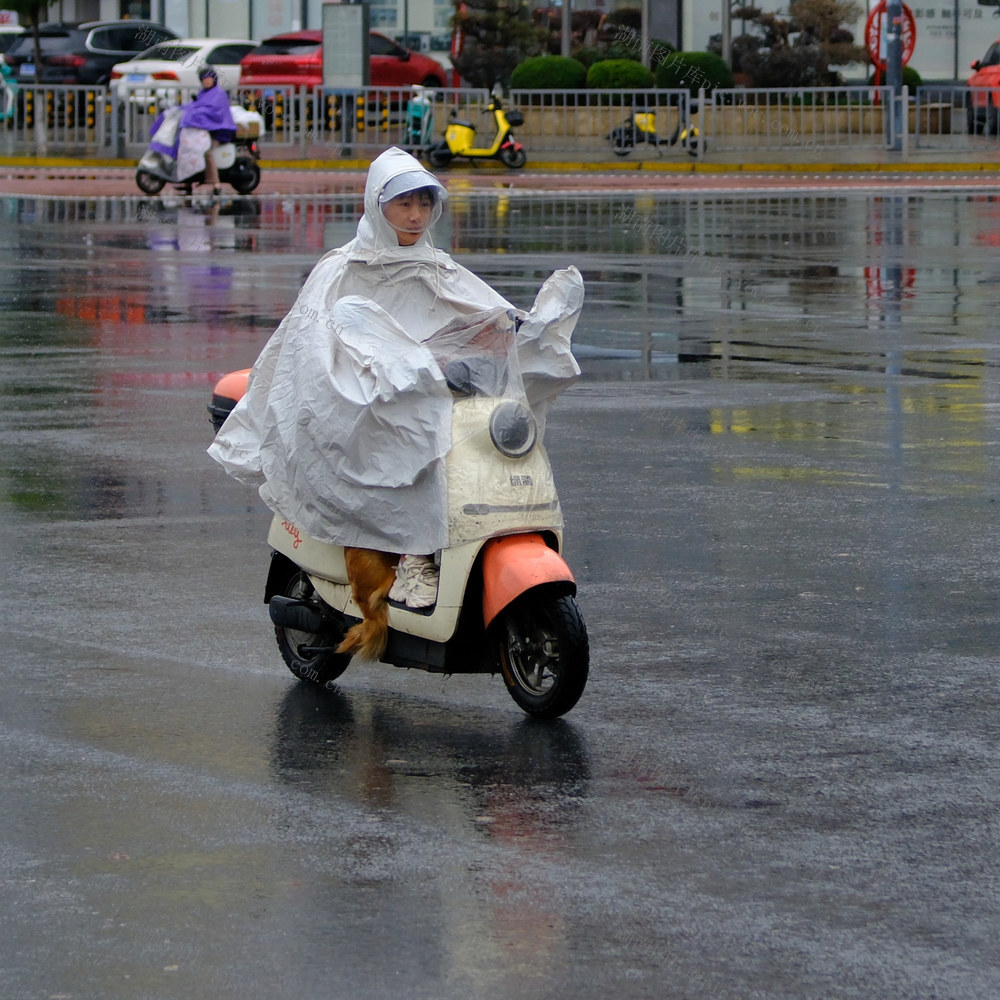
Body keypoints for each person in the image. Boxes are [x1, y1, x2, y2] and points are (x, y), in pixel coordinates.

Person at [209, 146, 583, 610]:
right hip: (363, 399)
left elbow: (481, 312)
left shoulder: (437, 267)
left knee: (474, 435)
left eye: (424, 204)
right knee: (408, 435)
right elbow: (312, 350)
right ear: (377, 205)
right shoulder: (342, 270)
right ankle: (412, 557)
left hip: (431, 388)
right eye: (404, 204)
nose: (415, 215)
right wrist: (381, 372)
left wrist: (520, 326)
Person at [175, 65, 235, 194]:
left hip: (219, 131)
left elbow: (214, 112)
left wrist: (197, 114)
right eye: (204, 79)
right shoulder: (203, 93)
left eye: (209, 79)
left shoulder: (219, 94)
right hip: (204, 131)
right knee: (188, 150)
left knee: (208, 153)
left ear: (214, 79)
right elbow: (196, 106)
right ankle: (187, 181)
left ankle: (216, 184)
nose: (206, 81)